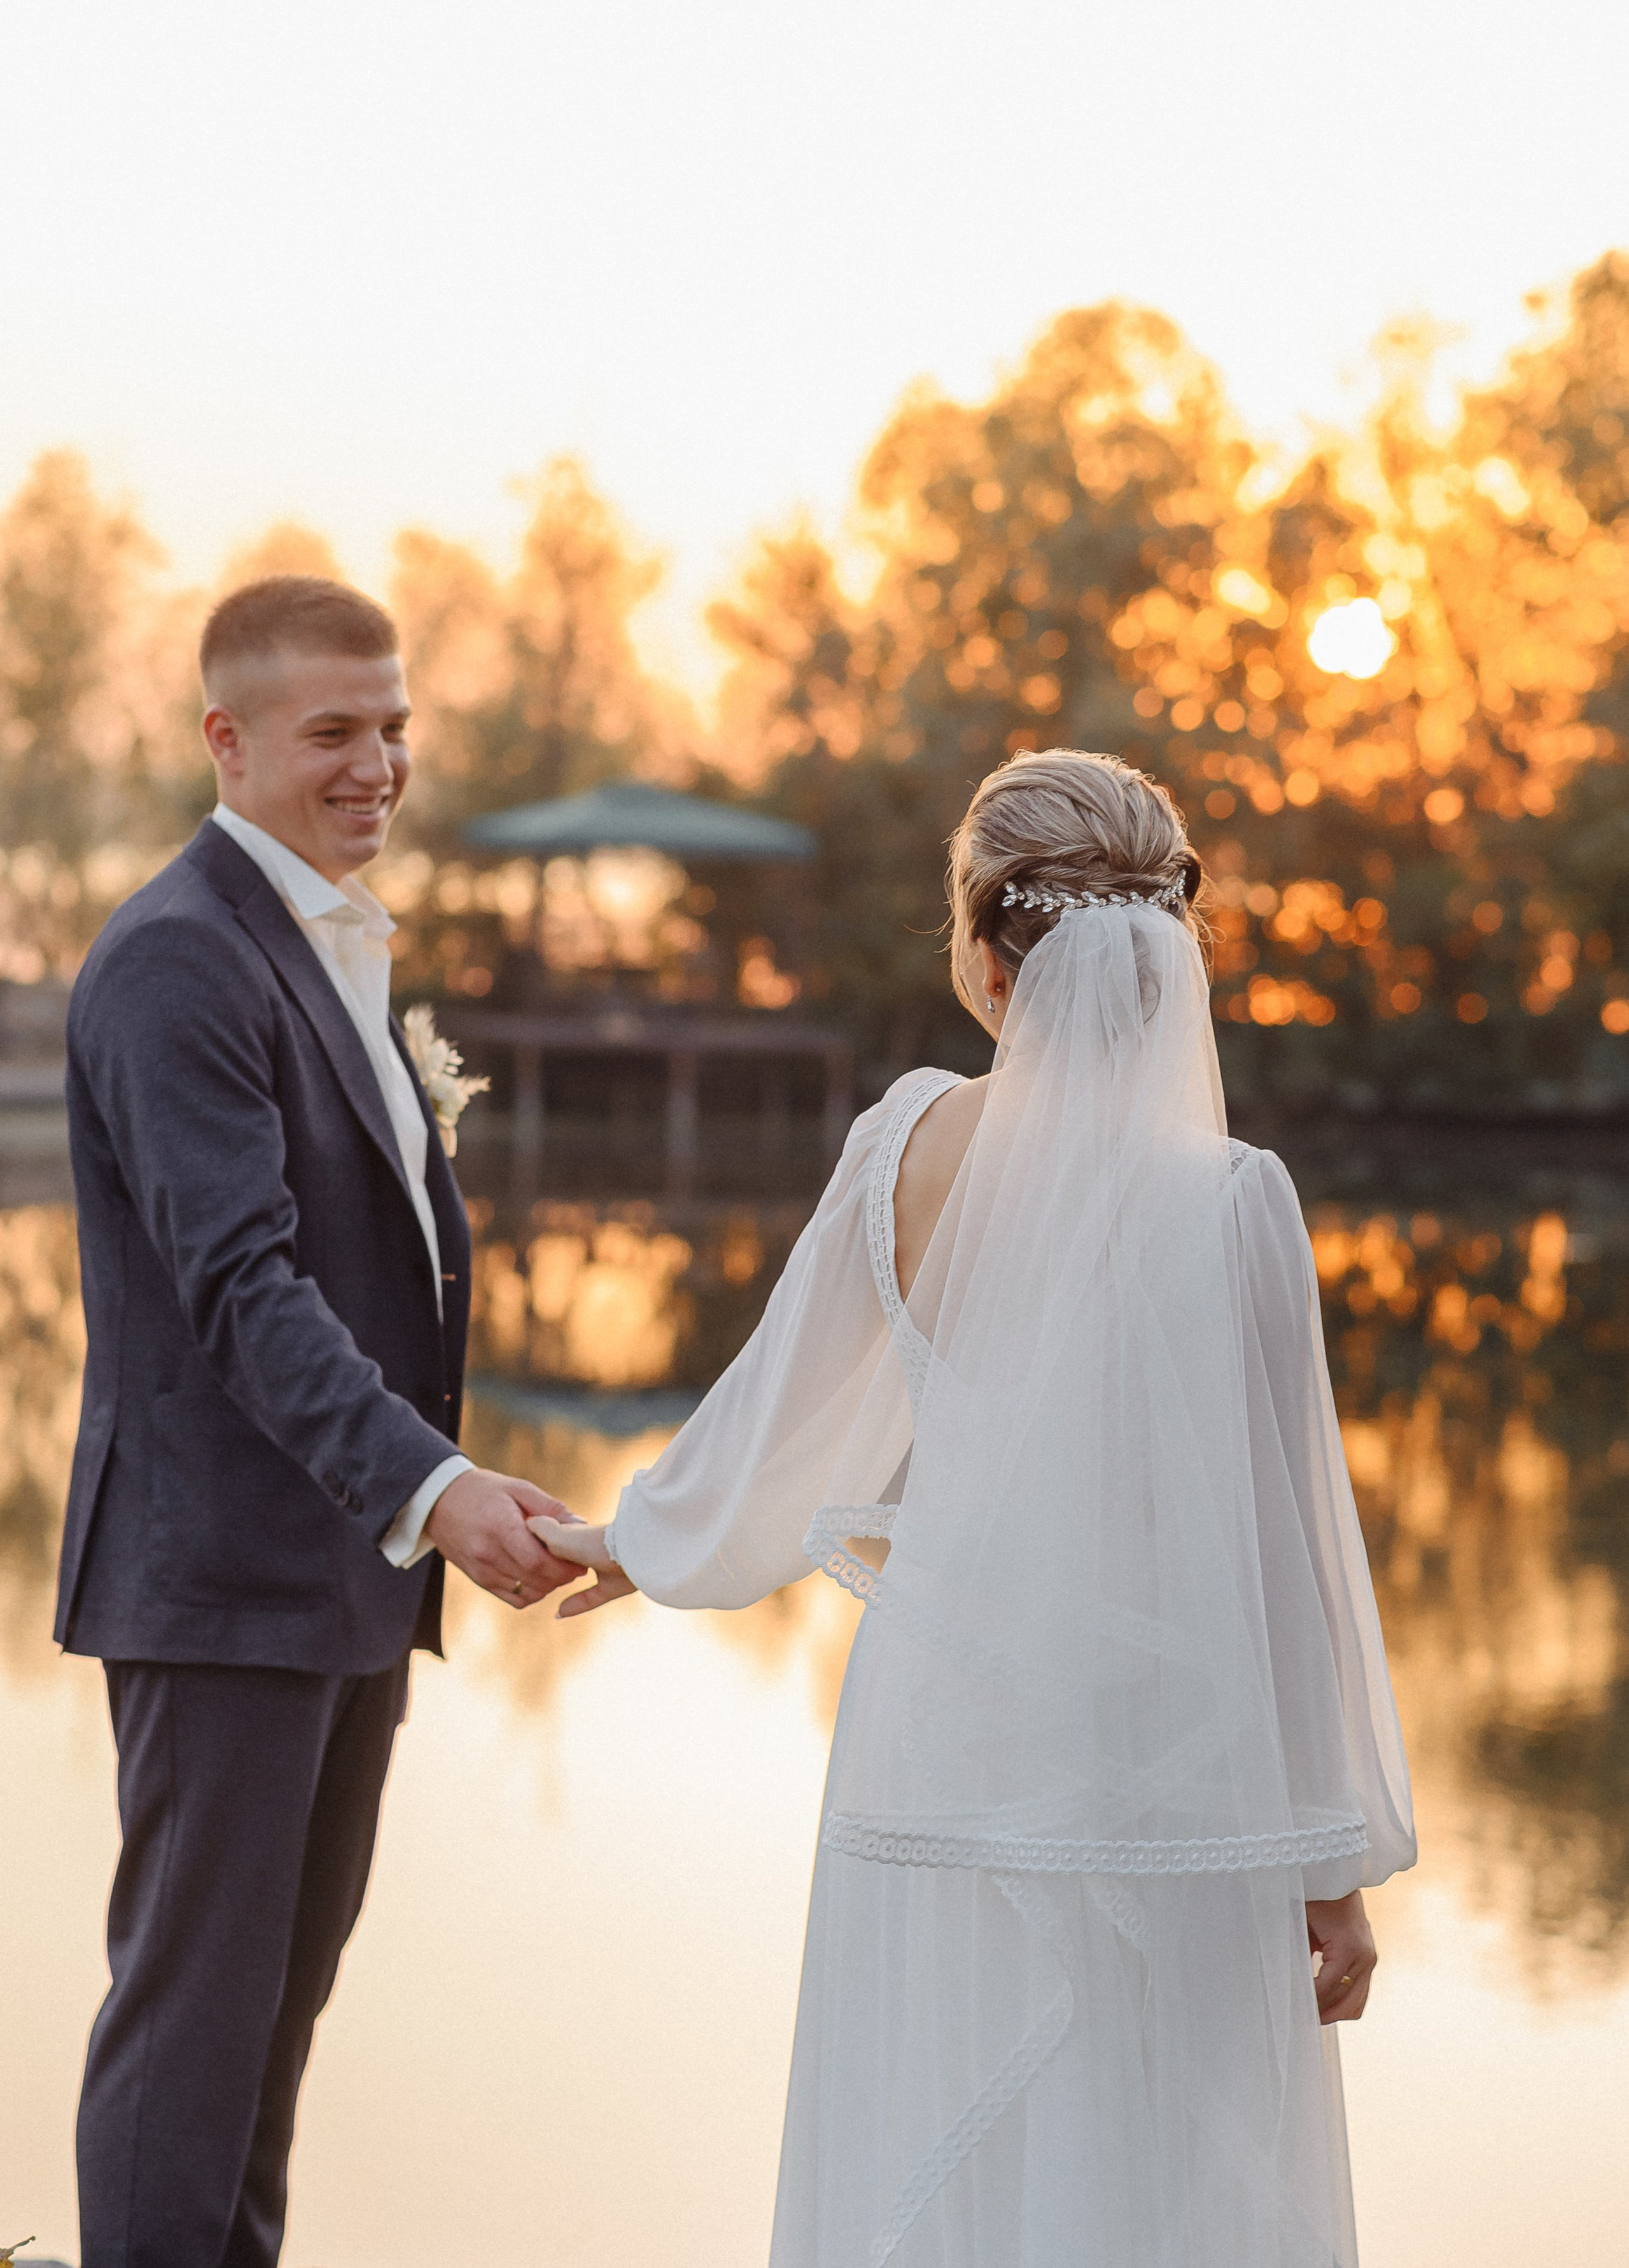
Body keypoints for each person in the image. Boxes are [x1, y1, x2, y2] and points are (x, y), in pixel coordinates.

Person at [535, 746, 1416, 2268]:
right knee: (1162, 2147)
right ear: (1163, 959)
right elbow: (1285, 1557)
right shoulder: (1231, 1198)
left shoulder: (904, 1144)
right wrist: (1323, 1866)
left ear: (982, 951)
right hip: (1174, 1755)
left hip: (939, 1739)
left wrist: (640, 1536)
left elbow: (777, 1408)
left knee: (934, 2115)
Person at [56, 576, 582, 2268]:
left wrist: (416, 1505)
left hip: (337, 1578)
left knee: (272, 2028)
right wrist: (431, 1488)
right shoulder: (173, 960)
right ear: (228, 739)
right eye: (335, 731)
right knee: (193, 2024)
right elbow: (242, 1287)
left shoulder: (323, 940)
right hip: (223, 1580)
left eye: (395, 726)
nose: (380, 765)